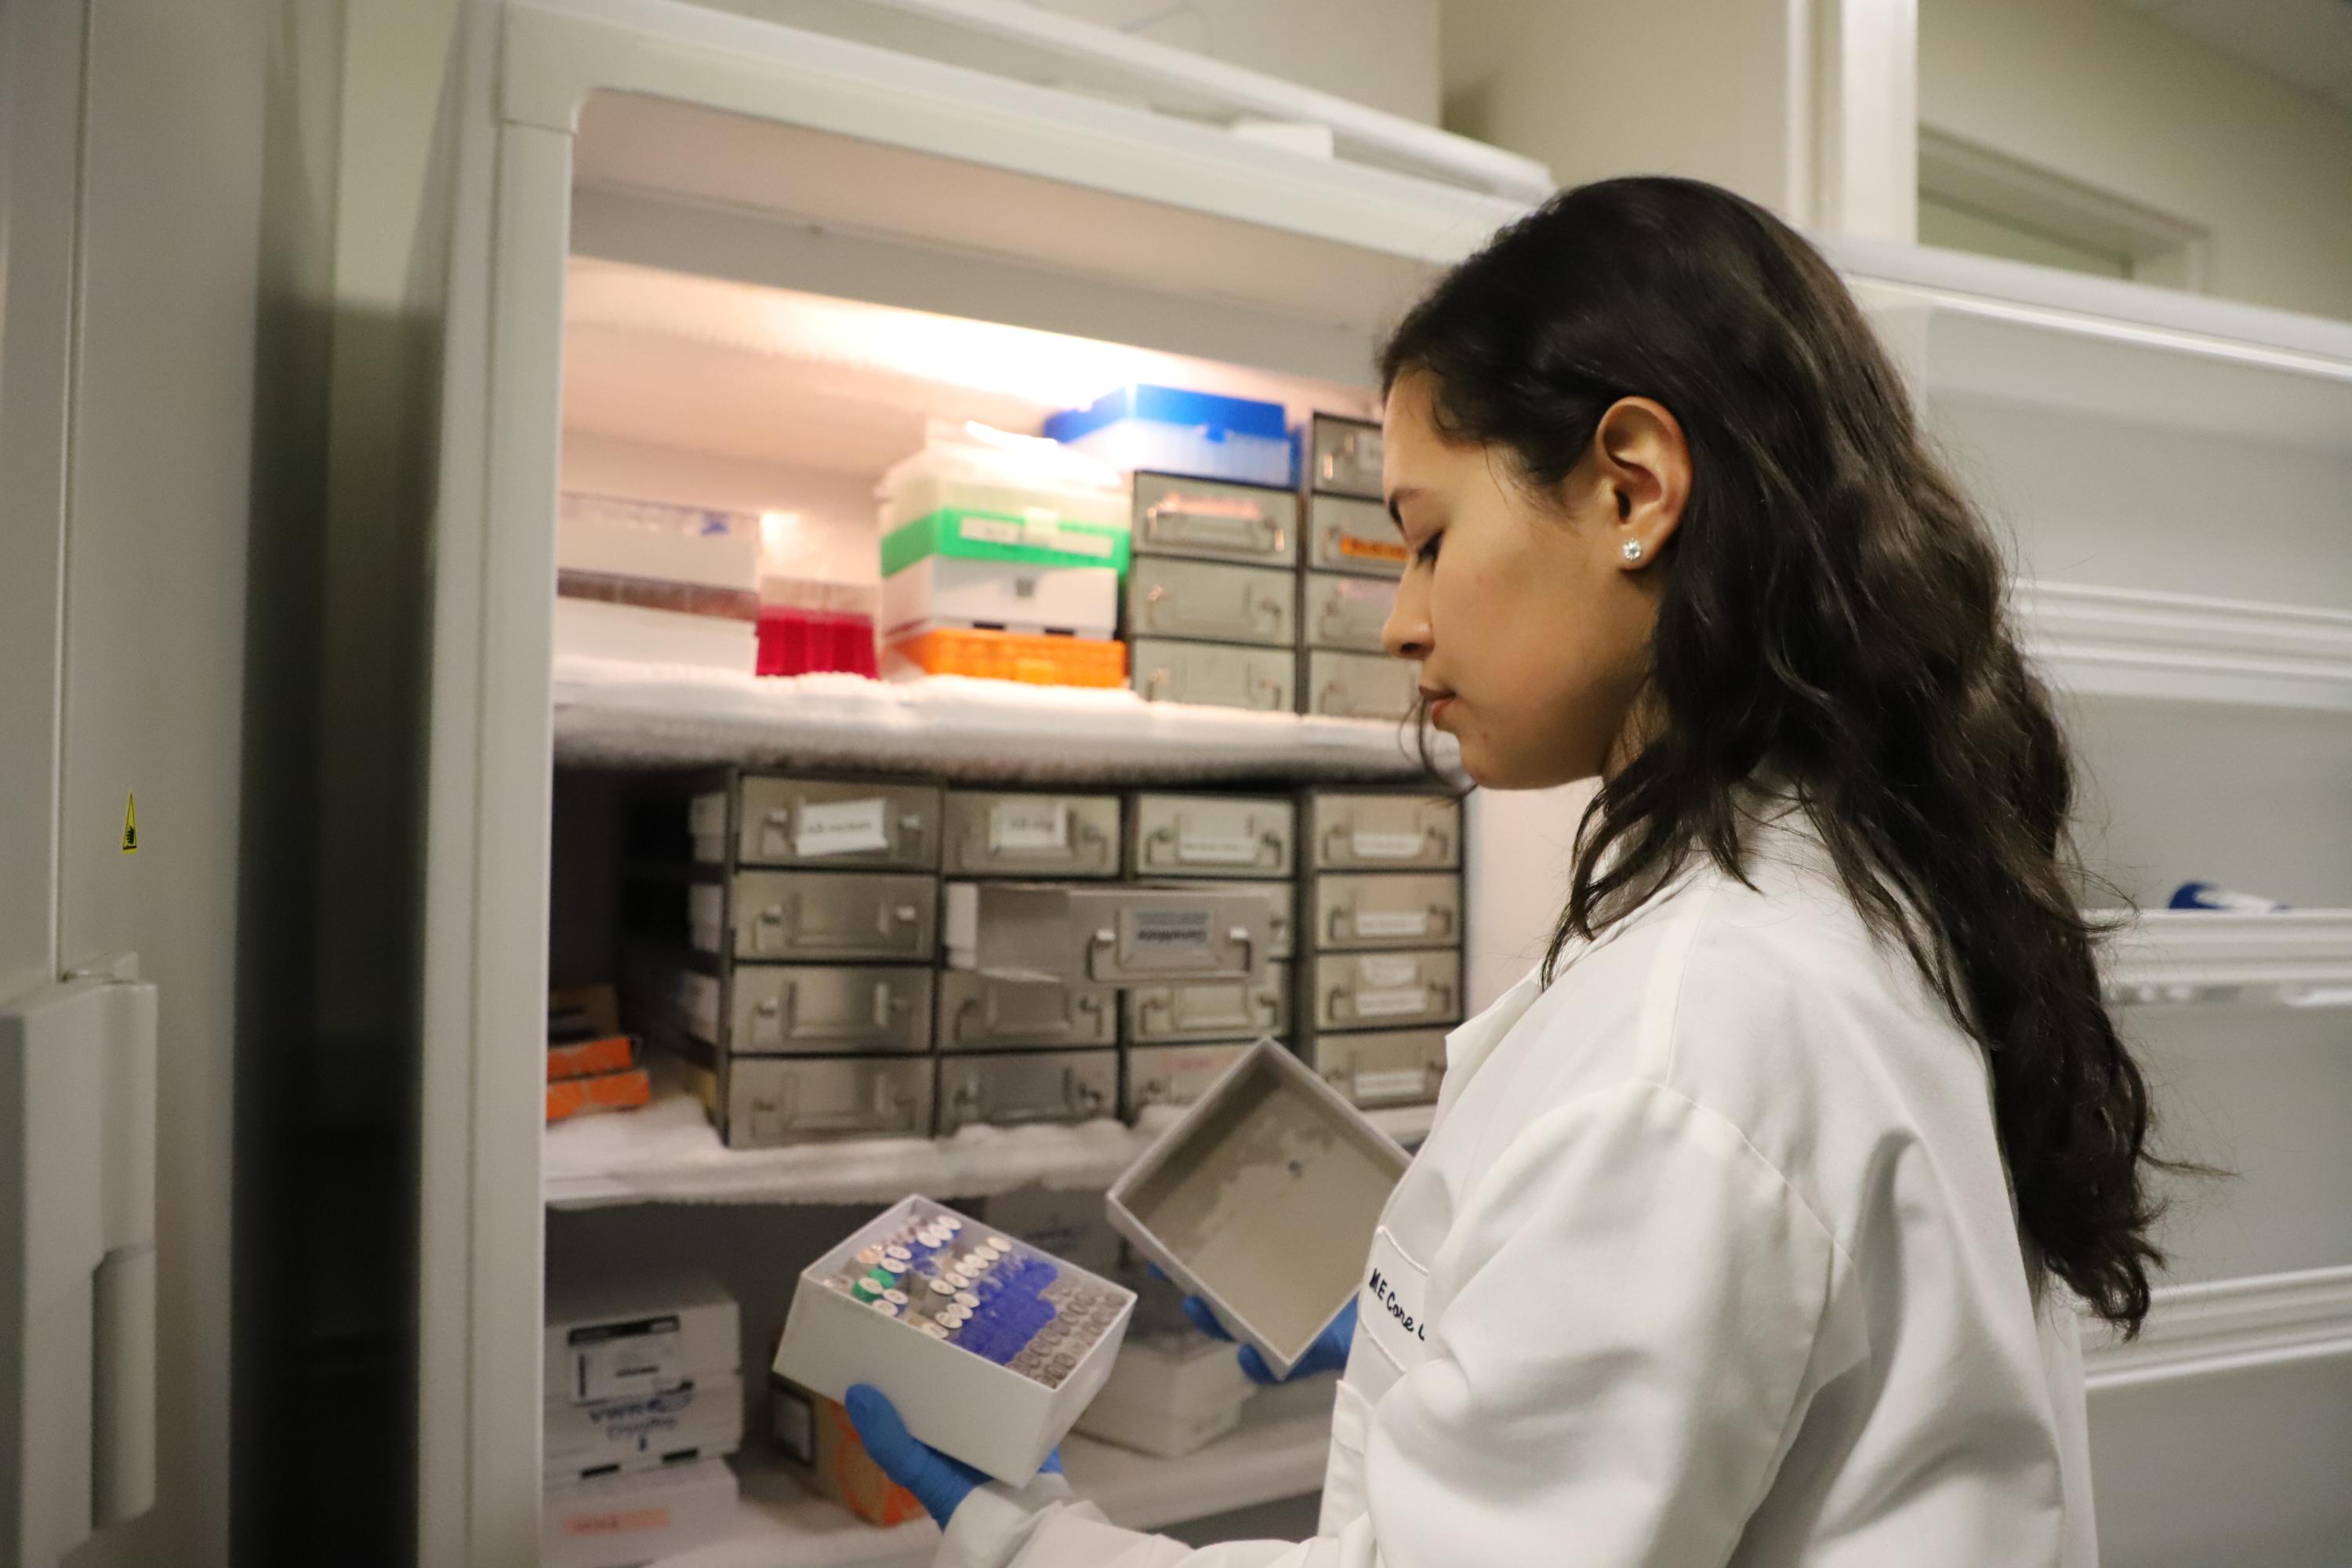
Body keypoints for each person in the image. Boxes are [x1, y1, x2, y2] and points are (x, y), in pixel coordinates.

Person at [847, 176, 2171, 1566]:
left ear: (1632, 489)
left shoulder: (1694, 1046)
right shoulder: (1862, 889)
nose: (1402, 625)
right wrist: (1463, 1319)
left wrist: (1028, 1539)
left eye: (1427, 539)